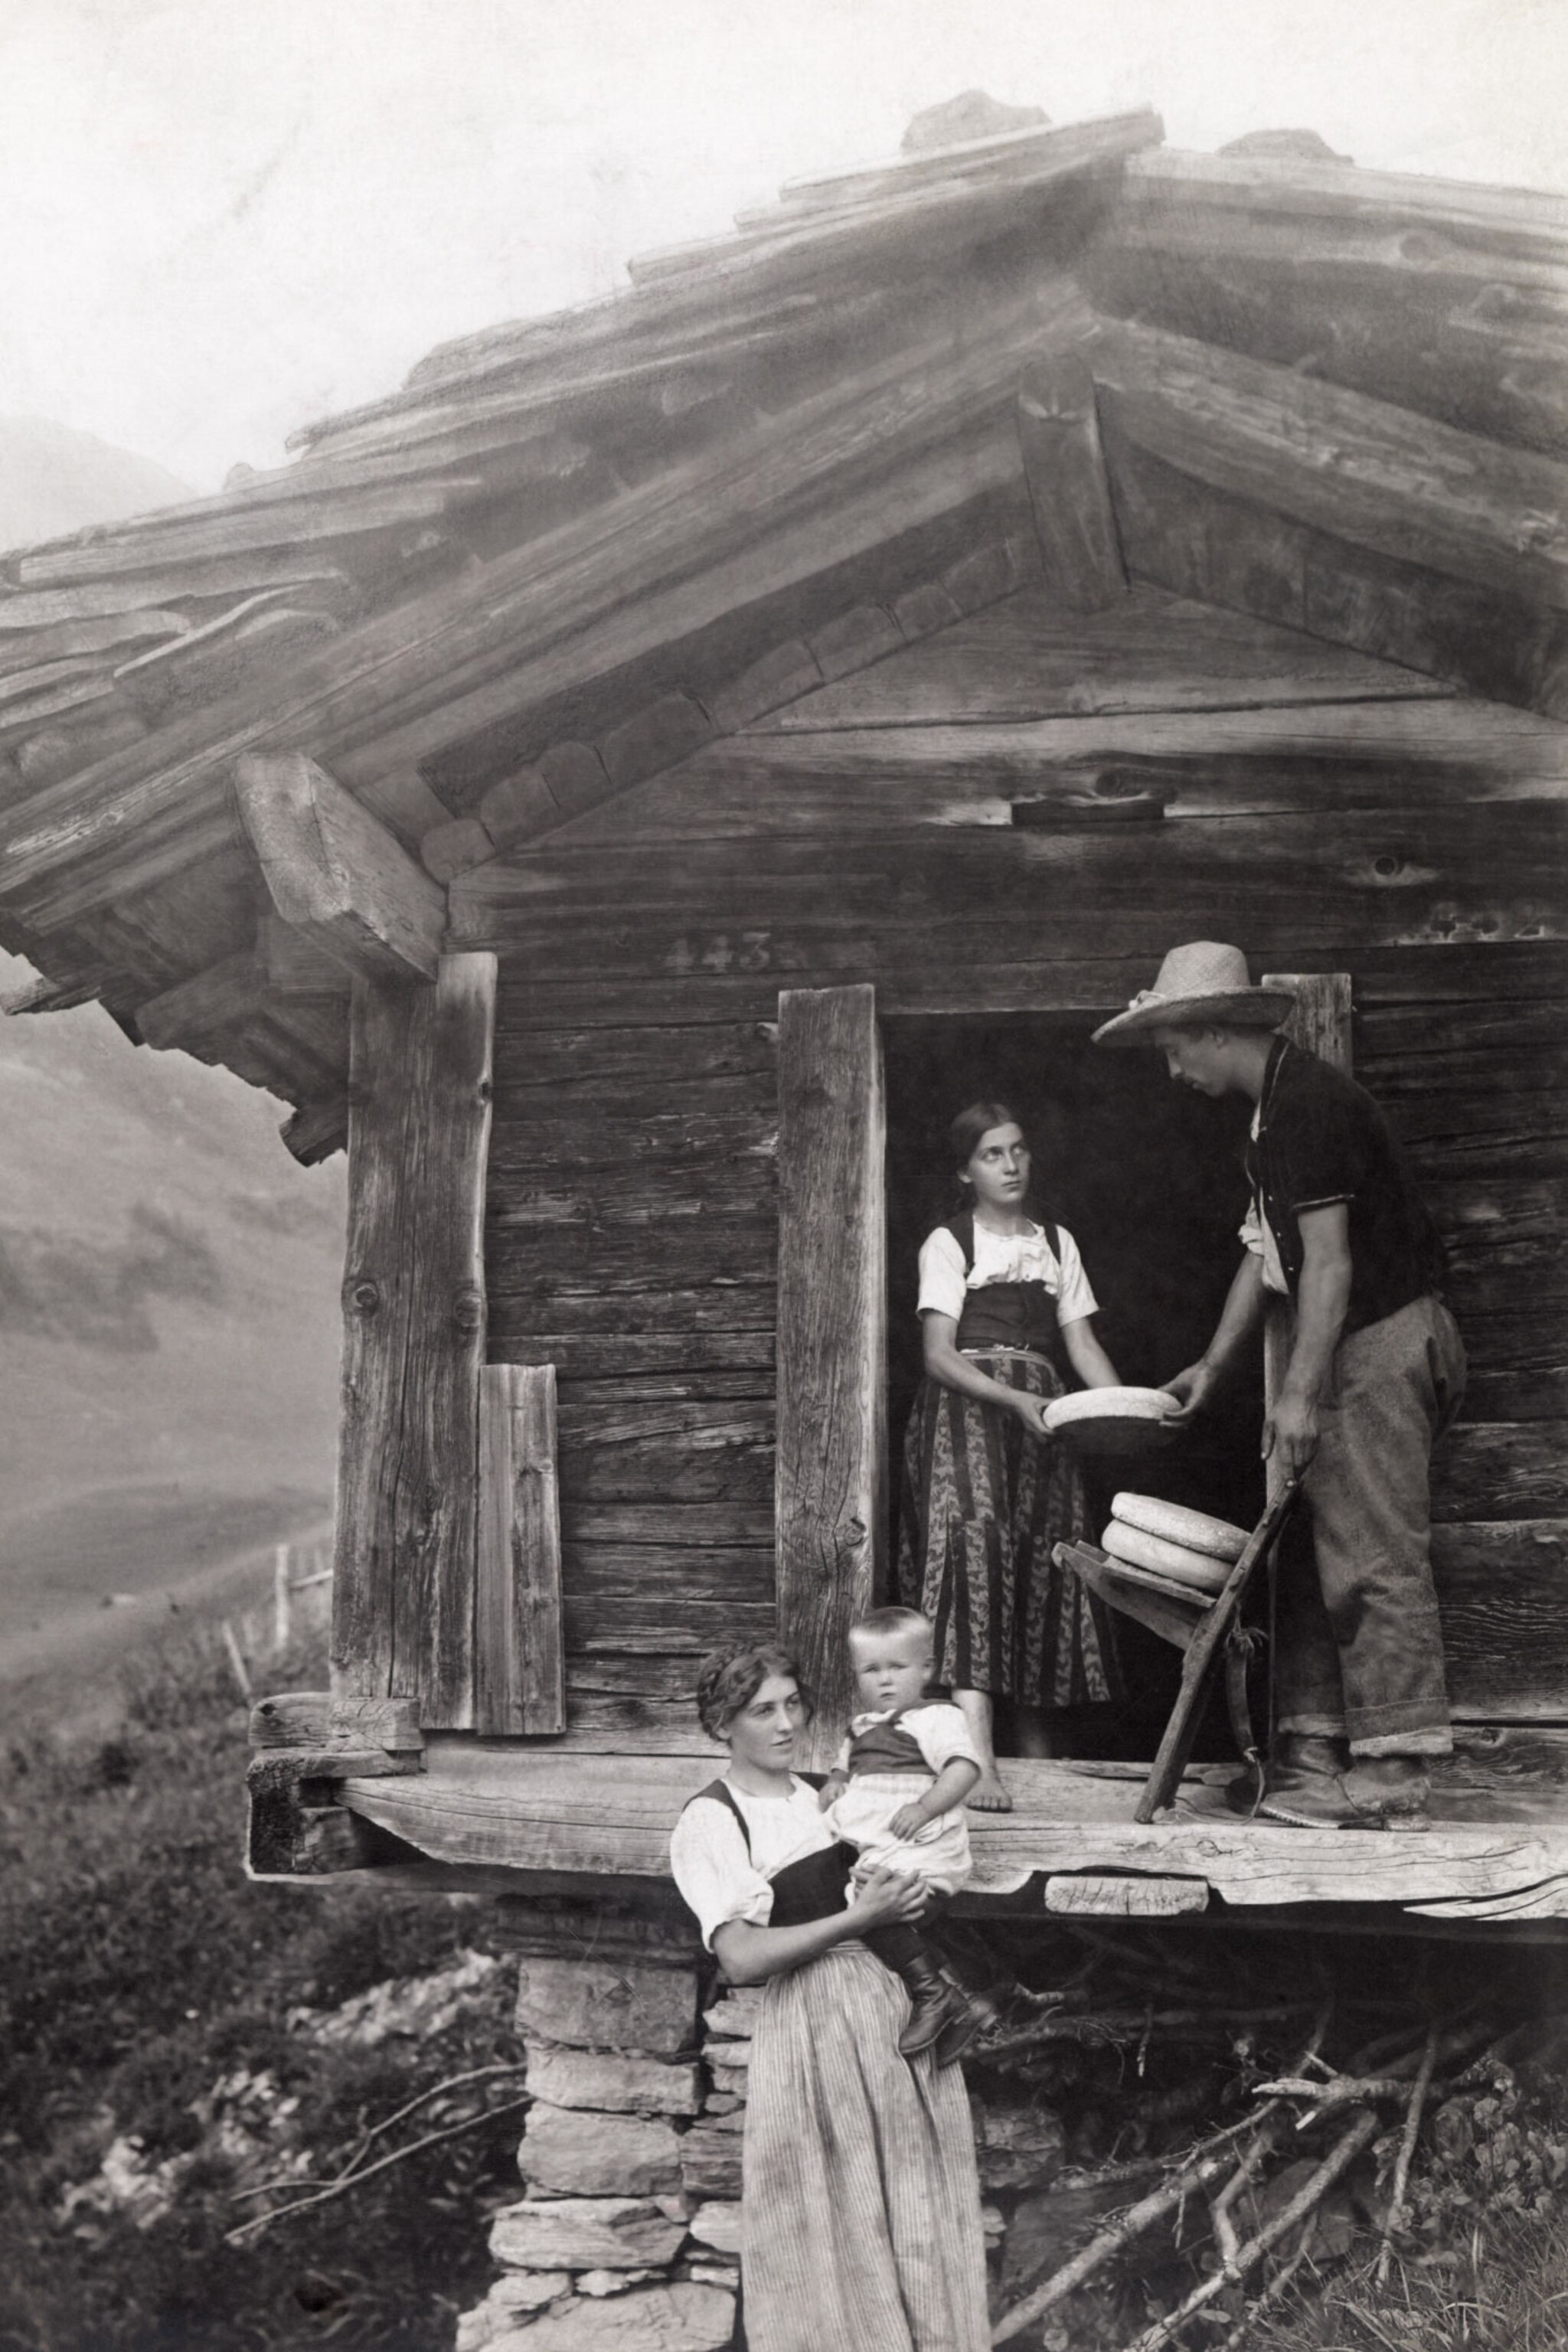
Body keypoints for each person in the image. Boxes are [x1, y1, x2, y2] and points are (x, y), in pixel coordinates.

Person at [1093, 940, 1466, 1829]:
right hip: (1343, 1342)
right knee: (1312, 1549)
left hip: (1380, 1338)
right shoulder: (1267, 1121)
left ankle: (1394, 1770)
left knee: (1372, 1550)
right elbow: (1262, 1254)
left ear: (1217, 1030)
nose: (1172, 1069)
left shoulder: (1310, 1107)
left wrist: (1296, 1396)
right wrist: (1213, 1365)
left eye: (1174, 1048)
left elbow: (1328, 1266)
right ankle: (1313, 1754)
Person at [668, 1642, 991, 2352]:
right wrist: (858, 1917)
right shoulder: (714, 1818)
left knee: (920, 2215)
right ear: (722, 1725)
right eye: (762, 1712)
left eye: (793, 1705)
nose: (786, 1724)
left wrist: (908, 1897)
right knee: (836, 2220)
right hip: (815, 2027)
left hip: (901, 2017)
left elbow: (921, 1851)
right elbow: (740, 1956)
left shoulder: (833, 1795)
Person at [897, 1099, 1124, 1808]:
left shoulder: (1055, 1241)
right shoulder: (949, 1241)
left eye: (1018, 1149)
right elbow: (938, 1355)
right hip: (967, 1415)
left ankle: (1038, 1758)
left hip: (1042, 1419)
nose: (1011, 1165)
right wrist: (1012, 1398)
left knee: (1039, 1564)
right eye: (992, 1154)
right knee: (976, 1561)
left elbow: (1081, 1343)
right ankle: (978, 1761)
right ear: (966, 1171)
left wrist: (1124, 1409)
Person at [818, 1605, 981, 2061]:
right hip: (880, 1847)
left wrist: (924, 1807)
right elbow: (844, 1765)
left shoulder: (936, 1716)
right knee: (865, 1907)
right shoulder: (861, 1726)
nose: (885, 1680)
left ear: (926, 1669)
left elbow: (964, 1768)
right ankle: (965, 1999)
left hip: (919, 1842)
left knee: (876, 1911)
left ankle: (935, 1994)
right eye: (871, 1670)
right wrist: (836, 1782)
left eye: (898, 1667)